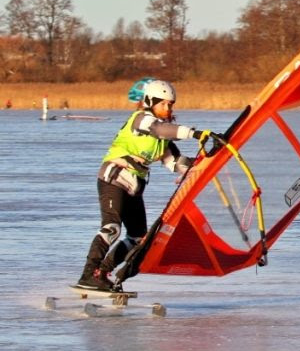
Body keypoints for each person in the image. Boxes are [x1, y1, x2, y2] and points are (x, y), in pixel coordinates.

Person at [75, 79, 220, 291]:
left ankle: (103, 272)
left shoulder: (163, 139)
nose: (169, 108)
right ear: (150, 101)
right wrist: (195, 133)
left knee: (137, 238)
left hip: (134, 186)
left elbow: (177, 164)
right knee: (112, 228)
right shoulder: (142, 119)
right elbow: (160, 129)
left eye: (171, 104)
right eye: (164, 104)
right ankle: (88, 275)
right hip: (114, 177)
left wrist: (212, 159)